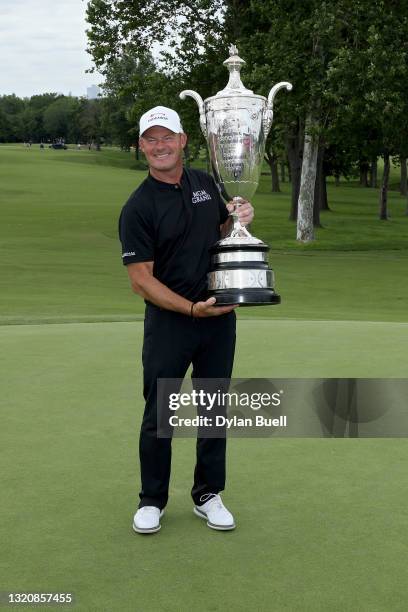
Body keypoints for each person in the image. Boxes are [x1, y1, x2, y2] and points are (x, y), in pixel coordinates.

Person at [118, 106, 254, 534]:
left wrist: (239, 219)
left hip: (219, 318)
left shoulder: (204, 182)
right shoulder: (137, 207)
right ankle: (152, 500)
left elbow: (221, 232)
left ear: (183, 141)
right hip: (171, 323)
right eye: (151, 139)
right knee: (160, 412)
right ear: (142, 146)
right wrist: (191, 308)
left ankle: (208, 494)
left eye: (167, 137)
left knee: (214, 409)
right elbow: (141, 280)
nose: (160, 146)